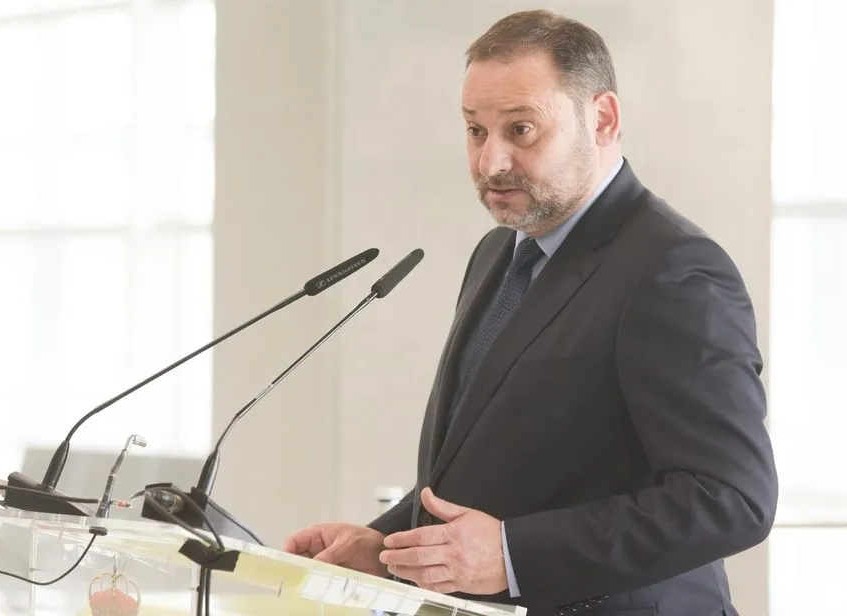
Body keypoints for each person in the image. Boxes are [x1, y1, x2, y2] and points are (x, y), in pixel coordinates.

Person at [283, 9, 777, 616]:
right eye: (475, 131)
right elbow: (497, 461)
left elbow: (730, 500)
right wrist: (387, 547)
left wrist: (514, 554)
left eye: (521, 130)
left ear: (601, 120)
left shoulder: (674, 271)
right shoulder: (498, 251)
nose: (491, 163)